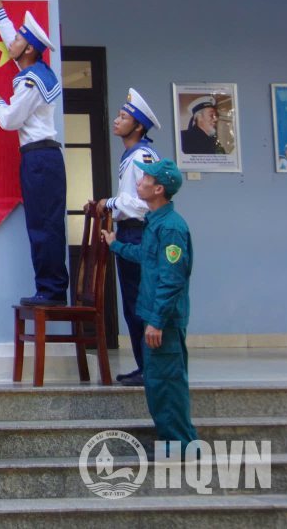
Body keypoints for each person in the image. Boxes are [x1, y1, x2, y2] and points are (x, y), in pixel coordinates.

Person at [0, 0, 68, 307]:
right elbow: (11, 41)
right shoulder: (36, 70)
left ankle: (51, 291)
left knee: (44, 226)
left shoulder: (30, 82)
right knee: (43, 224)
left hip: (39, 159)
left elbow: (10, 120)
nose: (12, 41)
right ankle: (49, 289)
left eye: (18, 39)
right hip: (42, 158)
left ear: (28, 49)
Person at [105, 157, 198, 455]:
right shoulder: (156, 222)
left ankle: (182, 448)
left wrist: (157, 322)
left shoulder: (171, 228)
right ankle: (175, 445)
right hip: (154, 318)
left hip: (164, 323)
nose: (138, 181)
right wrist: (115, 245)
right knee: (159, 387)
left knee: (167, 388)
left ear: (158, 189)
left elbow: (172, 280)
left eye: (145, 178)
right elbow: (145, 256)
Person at [95, 88, 161, 388]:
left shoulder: (142, 156)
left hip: (139, 233)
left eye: (124, 117)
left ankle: (151, 368)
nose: (117, 120)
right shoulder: (133, 154)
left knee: (140, 303)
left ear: (137, 127)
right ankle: (144, 366)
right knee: (133, 304)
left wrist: (109, 203)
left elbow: (144, 203)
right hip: (130, 232)